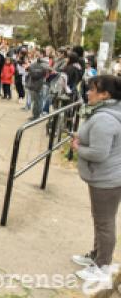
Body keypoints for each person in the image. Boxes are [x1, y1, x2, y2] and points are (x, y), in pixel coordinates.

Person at [71, 75, 121, 283]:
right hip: (106, 176)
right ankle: (96, 256)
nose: (88, 93)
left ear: (105, 95)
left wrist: (78, 148)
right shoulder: (107, 112)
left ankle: (103, 266)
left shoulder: (104, 118)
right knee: (101, 219)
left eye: (92, 89)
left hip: (107, 179)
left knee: (104, 222)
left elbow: (99, 153)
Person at [25, 48, 50, 120]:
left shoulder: (44, 63)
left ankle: (36, 116)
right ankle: (36, 115)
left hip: (38, 85)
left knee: (37, 101)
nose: (36, 55)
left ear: (42, 54)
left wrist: (30, 69)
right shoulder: (38, 62)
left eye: (38, 53)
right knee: (37, 100)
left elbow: (37, 74)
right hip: (35, 84)